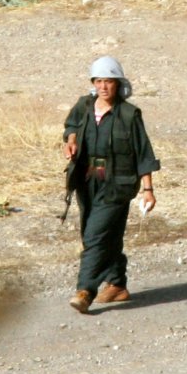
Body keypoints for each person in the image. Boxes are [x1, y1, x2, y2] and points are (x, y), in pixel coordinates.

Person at [63, 56, 160, 313]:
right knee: (103, 234)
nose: (103, 86)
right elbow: (71, 125)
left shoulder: (129, 114)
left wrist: (148, 189)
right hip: (86, 180)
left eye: (109, 81)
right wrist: (71, 140)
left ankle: (85, 291)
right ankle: (116, 284)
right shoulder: (84, 106)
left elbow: (143, 152)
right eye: (99, 81)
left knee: (95, 236)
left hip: (117, 184)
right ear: (93, 83)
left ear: (118, 84)